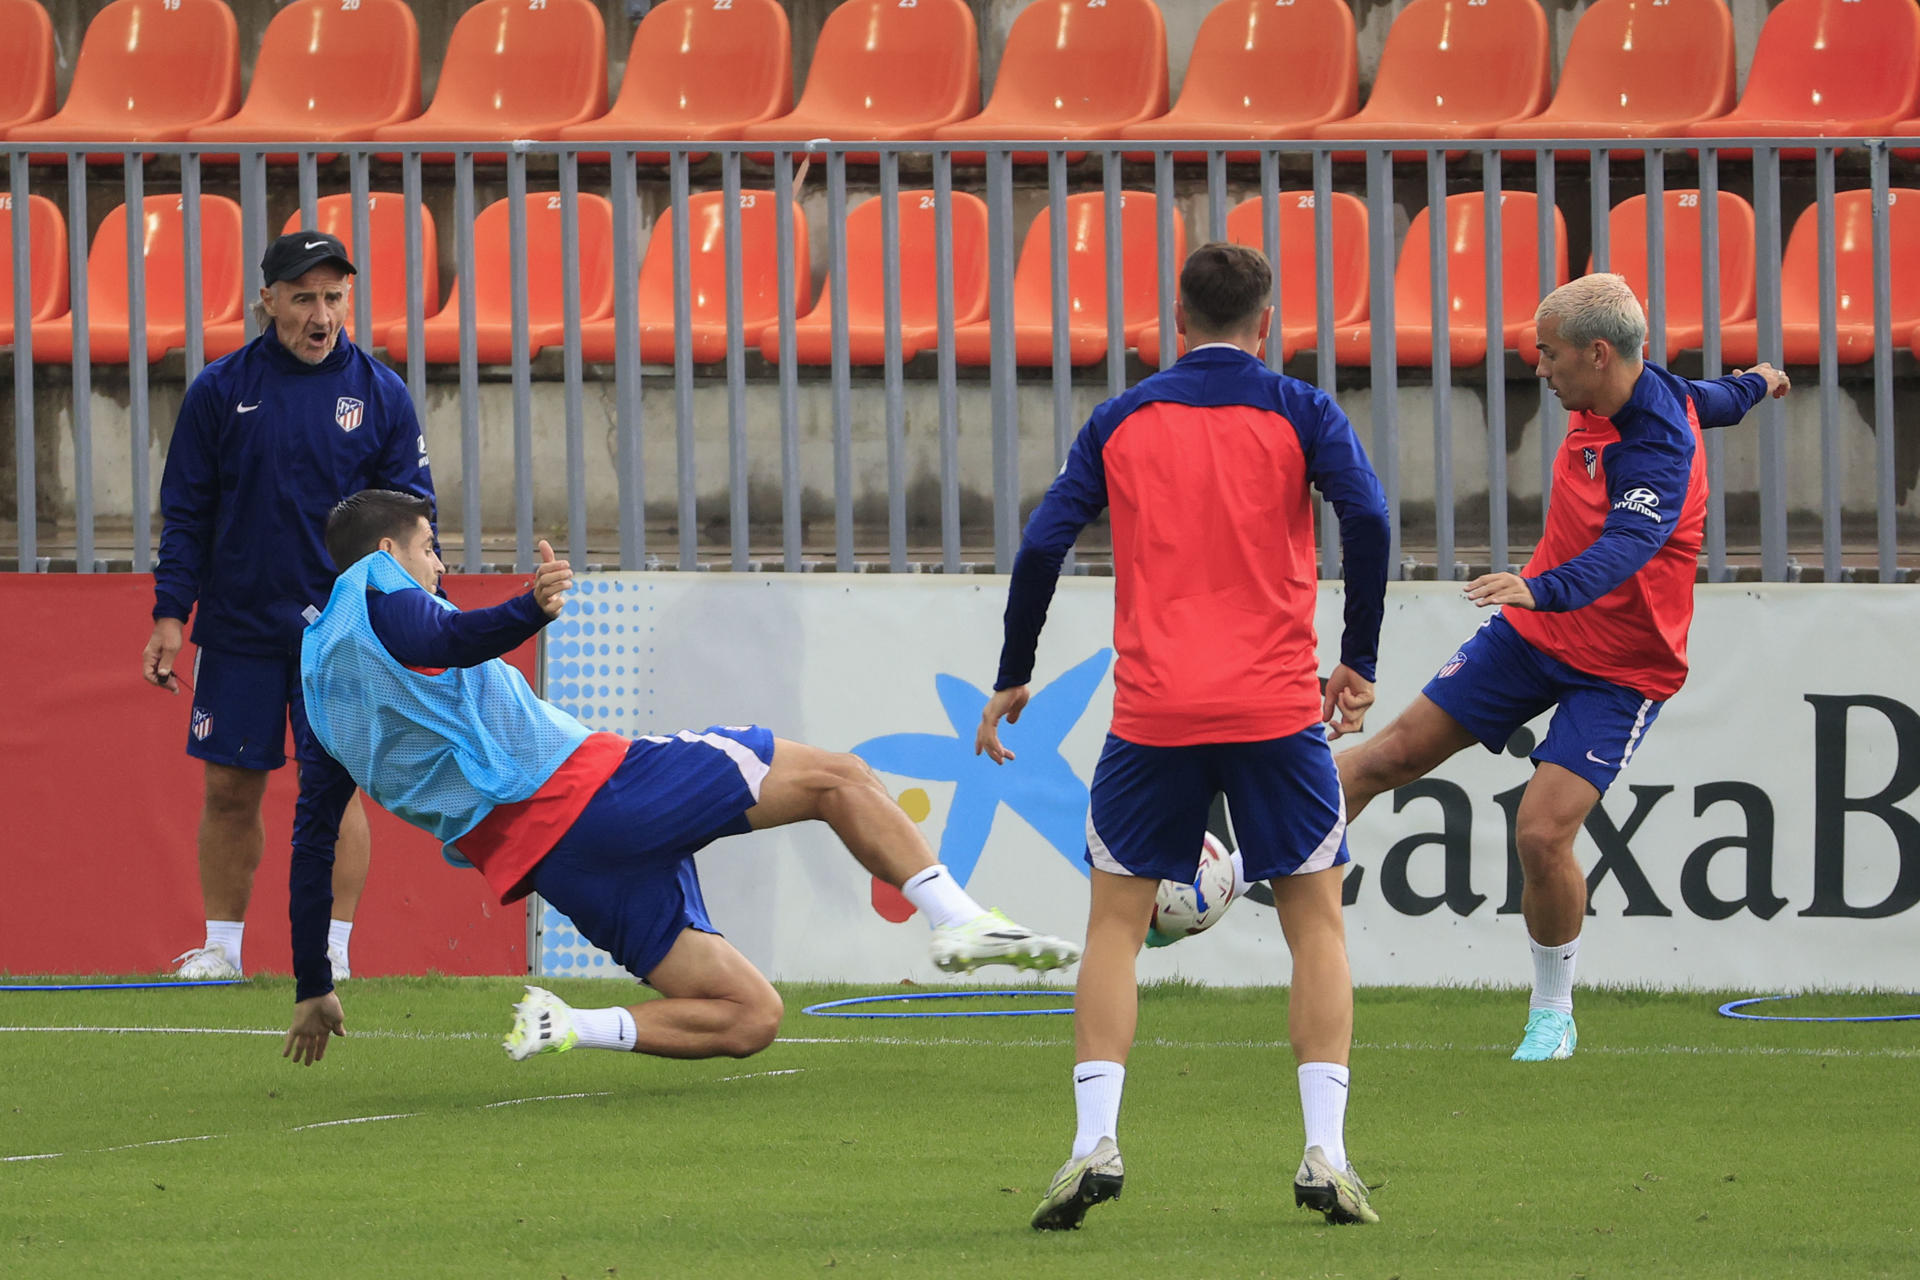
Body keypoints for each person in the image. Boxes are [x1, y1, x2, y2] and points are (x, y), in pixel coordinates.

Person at [282, 489, 1083, 1067]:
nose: (439, 564)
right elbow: (444, 638)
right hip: (596, 790)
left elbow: (313, 839)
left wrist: (314, 981)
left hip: (556, 861)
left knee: (748, 1016)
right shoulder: (377, 588)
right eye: (431, 547)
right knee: (839, 777)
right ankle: (958, 920)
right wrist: (527, 609)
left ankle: (572, 1025)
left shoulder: (318, 688)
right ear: (389, 554)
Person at [975, 243, 1392, 1231]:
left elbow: (1043, 539)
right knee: (1316, 923)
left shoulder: (1124, 417)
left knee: (1115, 924)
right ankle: (1325, 1151)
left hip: (1155, 710)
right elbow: (1368, 515)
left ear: (1178, 318)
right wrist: (1359, 654)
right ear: (1269, 319)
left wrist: (1014, 669)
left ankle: (1092, 1141)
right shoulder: (1300, 409)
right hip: (1276, 708)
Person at [1335, 273, 1791, 1063]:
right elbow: (1721, 395)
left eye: (1549, 355)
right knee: (1386, 757)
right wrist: (1764, 380)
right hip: (1535, 637)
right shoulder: (1640, 393)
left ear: (1599, 353)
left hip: (1622, 666)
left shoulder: (1656, 445)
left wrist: (1539, 587)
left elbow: (1627, 549)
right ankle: (1230, 876)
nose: (1538, 369)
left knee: (1542, 834)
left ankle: (1553, 1013)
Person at [142, 230, 436, 982]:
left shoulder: (382, 395)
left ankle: (332, 953)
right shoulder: (218, 389)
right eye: (303, 297)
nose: (321, 314)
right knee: (229, 788)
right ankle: (222, 952)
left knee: (332, 792)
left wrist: (408, 620)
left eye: (333, 296)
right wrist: (171, 613)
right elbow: (187, 511)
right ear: (266, 300)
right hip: (238, 627)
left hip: (339, 638)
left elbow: (412, 520)